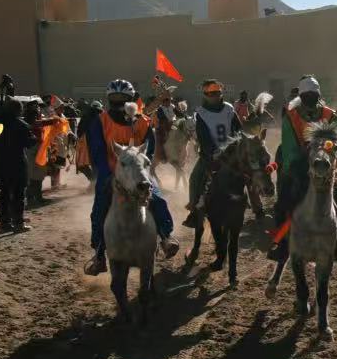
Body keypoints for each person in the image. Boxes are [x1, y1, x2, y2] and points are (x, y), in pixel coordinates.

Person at [83, 79, 179, 276]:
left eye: (123, 98)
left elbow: (149, 149)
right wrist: (109, 173)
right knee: (99, 209)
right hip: (111, 172)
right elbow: (97, 151)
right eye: (115, 98)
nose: (119, 102)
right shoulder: (100, 121)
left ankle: (165, 237)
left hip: (139, 172)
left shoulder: (143, 122)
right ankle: (99, 254)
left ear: (131, 99)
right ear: (109, 99)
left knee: (157, 199)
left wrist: (142, 168)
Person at [269, 75, 337, 262]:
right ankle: (281, 244)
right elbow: (289, 150)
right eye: (307, 95)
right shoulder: (291, 116)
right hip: (299, 167)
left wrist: (326, 143)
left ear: (318, 95)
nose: (311, 98)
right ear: (301, 96)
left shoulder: (328, 114)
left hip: (324, 166)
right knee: (282, 204)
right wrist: (302, 158)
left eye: (314, 95)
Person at [184, 79, 243, 227]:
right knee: (195, 178)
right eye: (211, 94)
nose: (214, 96)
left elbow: (238, 129)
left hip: (232, 152)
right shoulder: (201, 113)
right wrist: (213, 153)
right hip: (210, 155)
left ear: (221, 93)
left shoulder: (229, 109)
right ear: (205, 95)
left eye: (217, 93)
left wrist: (237, 144)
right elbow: (204, 137)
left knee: (251, 169)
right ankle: (194, 211)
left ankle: (257, 203)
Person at [0, 98, 37, 230]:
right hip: (17, 163)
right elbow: (29, 143)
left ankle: (5, 222)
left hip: (0, 162)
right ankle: (18, 222)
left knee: (4, 194)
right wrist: (34, 137)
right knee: (18, 194)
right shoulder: (21, 124)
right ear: (18, 110)